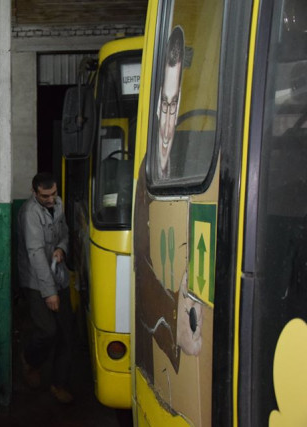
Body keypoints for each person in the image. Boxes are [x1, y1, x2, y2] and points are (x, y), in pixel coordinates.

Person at [134, 25, 203, 384]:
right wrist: (176, 318)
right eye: (164, 104)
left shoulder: (194, 163)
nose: (168, 118)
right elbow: (143, 272)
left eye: (175, 105)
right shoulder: (145, 176)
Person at [17, 173, 74, 404]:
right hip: (35, 280)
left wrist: (61, 248)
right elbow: (35, 254)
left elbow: (65, 233)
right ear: (34, 193)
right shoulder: (29, 213)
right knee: (47, 330)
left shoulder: (58, 204)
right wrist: (49, 293)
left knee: (66, 334)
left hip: (58, 276)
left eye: (53, 194)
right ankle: (30, 360)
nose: (51, 200)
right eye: (45, 196)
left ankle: (59, 384)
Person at [156, 25, 185, 180]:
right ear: (156, 106)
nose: (166, 128)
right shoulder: (145, 170)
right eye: (164, 104)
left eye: (173, 104)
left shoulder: (189, 167)